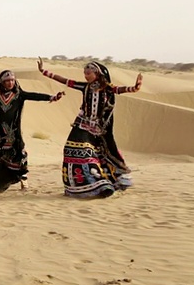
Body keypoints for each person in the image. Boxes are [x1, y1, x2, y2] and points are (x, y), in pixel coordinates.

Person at [38, 58, 143, 198]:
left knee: (92, 152)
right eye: (84, 73)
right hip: (81, 123)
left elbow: (120, 90)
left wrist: (135, 88)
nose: (86, 75)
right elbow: (65, 81)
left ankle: (99, 182)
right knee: (71, 149)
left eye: (88, 73)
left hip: (97, 128)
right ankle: (78, 185)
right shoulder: (84, 86)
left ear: (97, 74)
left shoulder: (107, 88)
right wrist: (44, 72)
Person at [0, 70, 65, 192]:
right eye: (7, 81)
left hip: (13, 135)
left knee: (19, 155)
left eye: (12, 80)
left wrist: (52, 97)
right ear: (2, 82)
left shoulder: (19, 95)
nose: (10, 83)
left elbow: (35, 96)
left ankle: (23, 177)